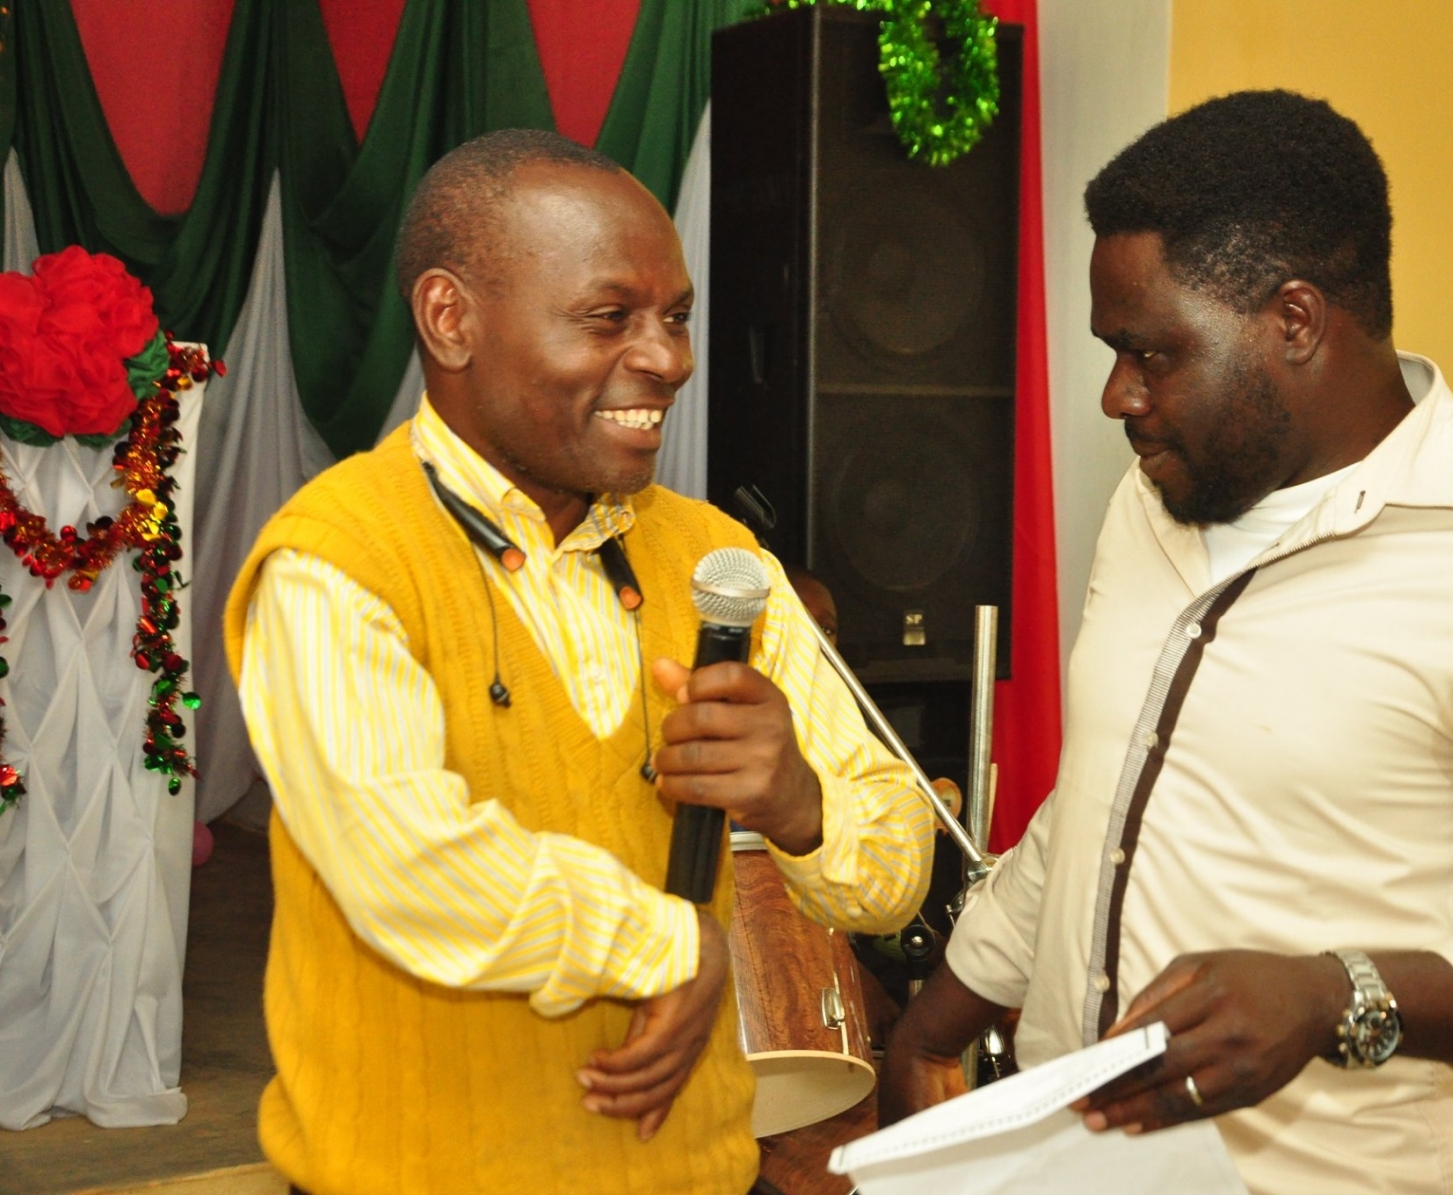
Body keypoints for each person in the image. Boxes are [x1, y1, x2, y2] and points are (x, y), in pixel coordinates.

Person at [880, 91, 1453, 1193]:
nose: (1118, 394)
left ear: (1296, 321)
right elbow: (1102, 805)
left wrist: (1336, 995)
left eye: (1150, 352)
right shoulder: (1153, 501)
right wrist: (938, 1017)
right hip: (1067, 1164)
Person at [223, 129, 935, 1195]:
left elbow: (895, 870)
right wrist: (669, 944)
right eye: (610, 318)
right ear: (450, 319)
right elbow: (408, 868)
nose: (669, 359)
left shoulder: (719, 563)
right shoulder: (338, 560)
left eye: (676, 317)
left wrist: (802, 805)